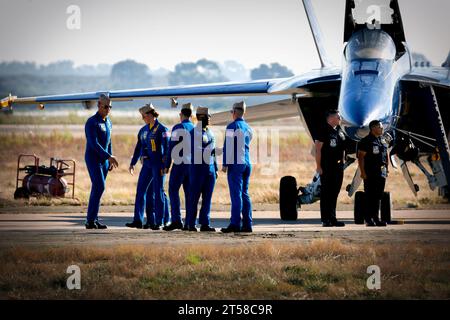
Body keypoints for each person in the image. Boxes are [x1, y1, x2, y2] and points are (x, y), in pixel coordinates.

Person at [126, 104, 170, 230]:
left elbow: (167, 149)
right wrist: (133, 163)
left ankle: (159, 221)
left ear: (150, 115)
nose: (142, 119)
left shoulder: (163, 129)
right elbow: (138, 147)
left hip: (158, 165)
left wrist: (166, 165)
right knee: (141, 191)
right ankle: (138, 220)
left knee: (158, 192)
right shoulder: (143, 130)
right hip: (146, 165)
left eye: (144, 116)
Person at [84, 93, 119, 229]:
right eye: (105, 107)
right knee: (100, 186)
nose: (108, 109)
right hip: (93, 159)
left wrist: (109, 157)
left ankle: (94, 219)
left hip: (104, 160)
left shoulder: (108, 122)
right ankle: (90, 220)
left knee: (98, 189)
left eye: (110, 107)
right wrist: (108, 156)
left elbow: (109, 141)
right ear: (99, 105)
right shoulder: (92, 122)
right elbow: (94, 144)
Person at [221, 101, 254, 233]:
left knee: (236, 195)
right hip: (247, 162)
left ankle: (235, 223)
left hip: (236, 164)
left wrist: (224, 164)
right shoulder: (249, 128)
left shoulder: (231, 126)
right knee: (245, 193)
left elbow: (228, 146)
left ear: (234, 112)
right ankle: (247, 224)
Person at [185, 106, 218, 232]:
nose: (210, 118)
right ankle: (190, 223)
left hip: (209, 171)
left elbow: (213, 154)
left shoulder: (210, 133)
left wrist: (215, 169)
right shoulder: (194, 133)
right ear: (202, 117)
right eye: (208, 116)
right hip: (197, 170)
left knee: (207, 199)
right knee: (194, 198)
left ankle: (205, 223)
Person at [163, 103, 195, 231]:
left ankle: (176, 220)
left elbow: (171, 147)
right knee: (189, 194)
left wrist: (167, 165)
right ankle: (189, 222)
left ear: (181, 114)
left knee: (173, 191)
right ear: (191, 116)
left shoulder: (177, 127)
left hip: (179, 165)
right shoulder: (194, 128)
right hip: (191, 165)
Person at [315, 110, 346, 227]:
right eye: (338, 117)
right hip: (327, 167)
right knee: (326, 194)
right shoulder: (324, 130)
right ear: (331, 118)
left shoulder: (339, 131)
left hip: (338, 167)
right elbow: (318, 149)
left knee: (334, 193)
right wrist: (318, 166)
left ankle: (333, 218)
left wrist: (343, 162)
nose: (340, 119)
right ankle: (325, 219)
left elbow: (343, 148)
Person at [357, 120, 388, 227]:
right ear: (373, 128)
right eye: (380, 127)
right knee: (370, 196)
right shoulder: (366, 141)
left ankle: (376, 218)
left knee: (378, 196)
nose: (382, 128)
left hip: (381, 172)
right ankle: (368, 218)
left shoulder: (382, 140)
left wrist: (386, 169)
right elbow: (361, 157)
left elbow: (385, 154)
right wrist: (362, 172)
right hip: (370, 172)